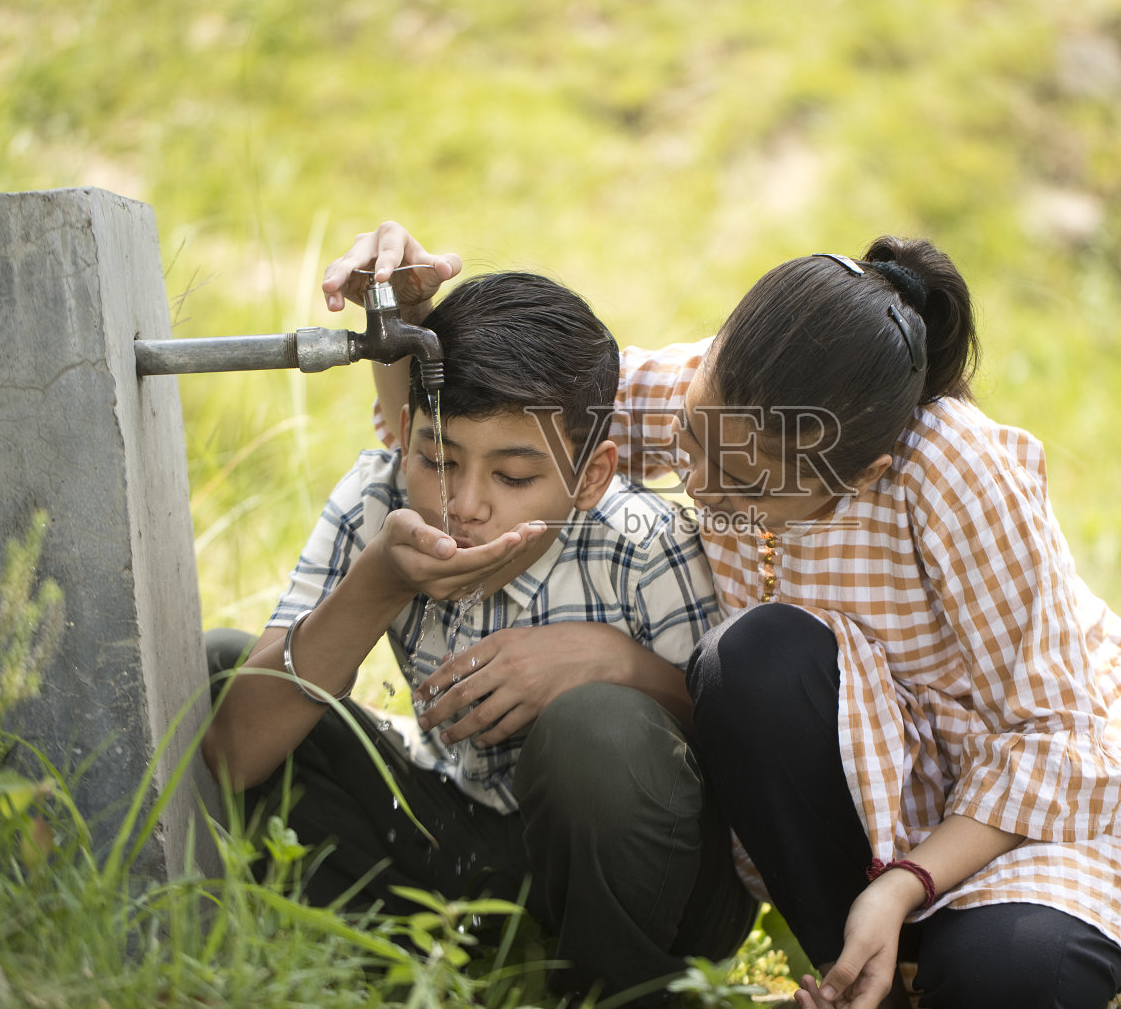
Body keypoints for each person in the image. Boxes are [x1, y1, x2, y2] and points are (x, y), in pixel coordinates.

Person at [327, 225, 1121, 1009]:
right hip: (868, 795)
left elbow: (1053, 740)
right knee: (752, 658)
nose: (706, 486)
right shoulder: (714, 403)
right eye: (691, 444)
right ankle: (872, 973)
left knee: (1008, 978)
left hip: (1027, 807)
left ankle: (913, 951)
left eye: (750, 484)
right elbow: (493, 411)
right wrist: (403, 317)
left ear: (861, 475)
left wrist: (904, 885)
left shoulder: (952, 471)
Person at [201, 270, 756, 1001]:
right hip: (466, 841)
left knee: (597, 726)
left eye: (514, 475)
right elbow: (236, 750)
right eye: (438, 460)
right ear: (403, 434)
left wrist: (613, 663)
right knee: (225, 668)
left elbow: (736, 768)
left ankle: (610, 991)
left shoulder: (640, 544)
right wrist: (378, 584)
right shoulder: (378, 503)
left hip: (655, 886)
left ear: (591, 478)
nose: (465, 506)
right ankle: (415, 966)